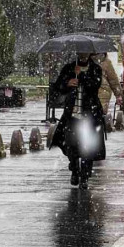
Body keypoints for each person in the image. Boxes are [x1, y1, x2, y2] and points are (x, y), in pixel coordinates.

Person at [49, 53, 106, 189]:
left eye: (86, 52)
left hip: (90, 114)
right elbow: (58, 87)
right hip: (72, 114)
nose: (83, 55)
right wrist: (67, 83)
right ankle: (74, 169)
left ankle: (85, 176)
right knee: (71, 144)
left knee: (88, 146)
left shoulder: (95, 69)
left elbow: (94, 86)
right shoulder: (69, 68)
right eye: (81, 52)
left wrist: (80, 76)